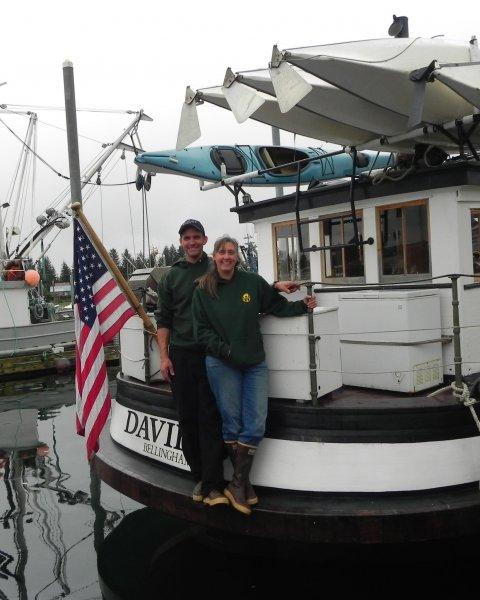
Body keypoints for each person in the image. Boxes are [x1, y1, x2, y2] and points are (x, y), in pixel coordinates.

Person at [155, 220, 299, 507]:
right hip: (185, 352)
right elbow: (163, 318)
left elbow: (239, 283)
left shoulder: (212, 268)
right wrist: (164, 355)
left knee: (212, 418)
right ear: (182, 242)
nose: (192, 242)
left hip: (214, 355)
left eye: (197, 237)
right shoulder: (172, 276)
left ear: (205, 241)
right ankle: (202, 477)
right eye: (187, 238)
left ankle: (218, 482)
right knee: (188, 417)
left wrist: (274, 287)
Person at [192, 235, 317, 515]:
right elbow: (201, 332)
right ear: (214, 256)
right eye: (222, 252)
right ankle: (242, 486)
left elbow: (276, 305)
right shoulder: (203, 289)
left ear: (237, 257)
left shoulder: (251, 282)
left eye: (231, 252)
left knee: (256, 423)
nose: (227, 257)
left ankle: (237, 483)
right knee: (232, 424)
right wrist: (226, 351)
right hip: (221, 364)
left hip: (254, 363)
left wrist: (301, 306)